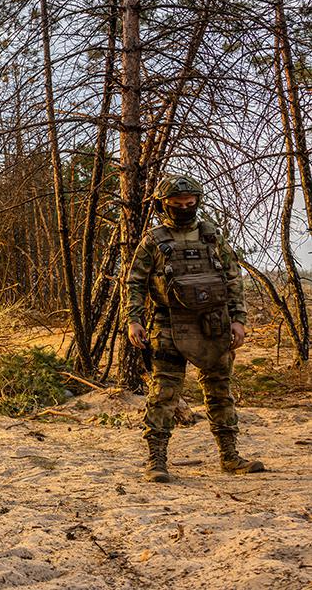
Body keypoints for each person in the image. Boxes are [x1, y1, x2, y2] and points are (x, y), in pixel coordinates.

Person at [125, 173, 264, 483]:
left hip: (213, 325)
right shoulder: (154, 242)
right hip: (169, 324)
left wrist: (238, 320)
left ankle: (229, 456)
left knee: (220, 391)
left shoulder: (212, 237)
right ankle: (156, 460)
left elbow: (232, 279)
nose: (185, 209)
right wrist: (134, 320)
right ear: (164, 205)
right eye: (177, 205)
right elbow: (135, 282)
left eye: (190, 204)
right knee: (163, 394)